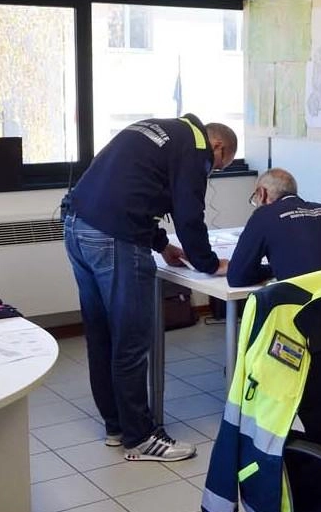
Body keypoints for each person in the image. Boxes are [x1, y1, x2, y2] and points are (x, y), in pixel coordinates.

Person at [62, 114, 237, 462]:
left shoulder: (162, 129)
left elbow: (128, 187)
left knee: (102, 335)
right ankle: (141, 438)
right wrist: (208, 263)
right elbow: (189, 213)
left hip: (77, 226)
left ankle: (117, 427)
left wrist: (161, 244)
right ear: (217, 146)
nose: (211, 172)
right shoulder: (196, 148)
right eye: (218, 166)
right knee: (131, 339)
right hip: (114, 237)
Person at [227, 168, 321, 286]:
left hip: (303, 313)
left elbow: (237, 276)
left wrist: (273, 269)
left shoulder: (263, 215)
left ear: (262, 193)